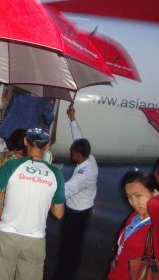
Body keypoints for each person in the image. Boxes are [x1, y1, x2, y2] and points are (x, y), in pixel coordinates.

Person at [0, 125, 65, 280]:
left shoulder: (12, 166)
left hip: (7, 236)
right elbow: (58, 213)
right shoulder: (56, 174)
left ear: (26, 141)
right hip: (34, 240)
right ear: (47, 145)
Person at [55, 106, 98, 280]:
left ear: (78, 156)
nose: (70, 153)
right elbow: (79, 137)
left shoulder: (83, 175)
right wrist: (72, 118)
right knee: (72, 246)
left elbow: (63, 192)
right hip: (82, 210)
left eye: (72, 151)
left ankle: (64, 276)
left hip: (76, 215)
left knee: (69, 248)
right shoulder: (89, 157)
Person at [108, 171, 159, 280]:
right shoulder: (134, 216)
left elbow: (158, 205)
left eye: (138, 196)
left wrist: (155, 199)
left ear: (154, 193)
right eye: (129, 197)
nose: (134, 203)